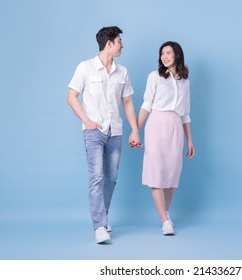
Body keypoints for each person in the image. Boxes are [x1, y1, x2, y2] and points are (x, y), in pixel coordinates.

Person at [67, 26, 141, 244]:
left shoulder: (122, 72)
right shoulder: (85, 68)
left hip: (115, 131)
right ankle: (99, 226)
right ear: (109, 43)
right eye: (119, 41)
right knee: (97, 177)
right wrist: (87, 121)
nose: (122, 45)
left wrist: (135, 129)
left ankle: (103, 216)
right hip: (94, 133)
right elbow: (71, 96)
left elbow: (127, 102)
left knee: (111, 178)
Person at [137, 41, 195, 235]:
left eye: (169, 52)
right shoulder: (154, 76)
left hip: (176, 126)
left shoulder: (185, 81)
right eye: (162, 53)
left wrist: (189, 140)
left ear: (177, 55)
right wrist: (135, 129)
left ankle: (166, 212)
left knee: (172, 174)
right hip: (156, 125)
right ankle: (164, 221)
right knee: (156, 172)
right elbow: (147, 104)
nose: (165, 56)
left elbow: (186, 113)